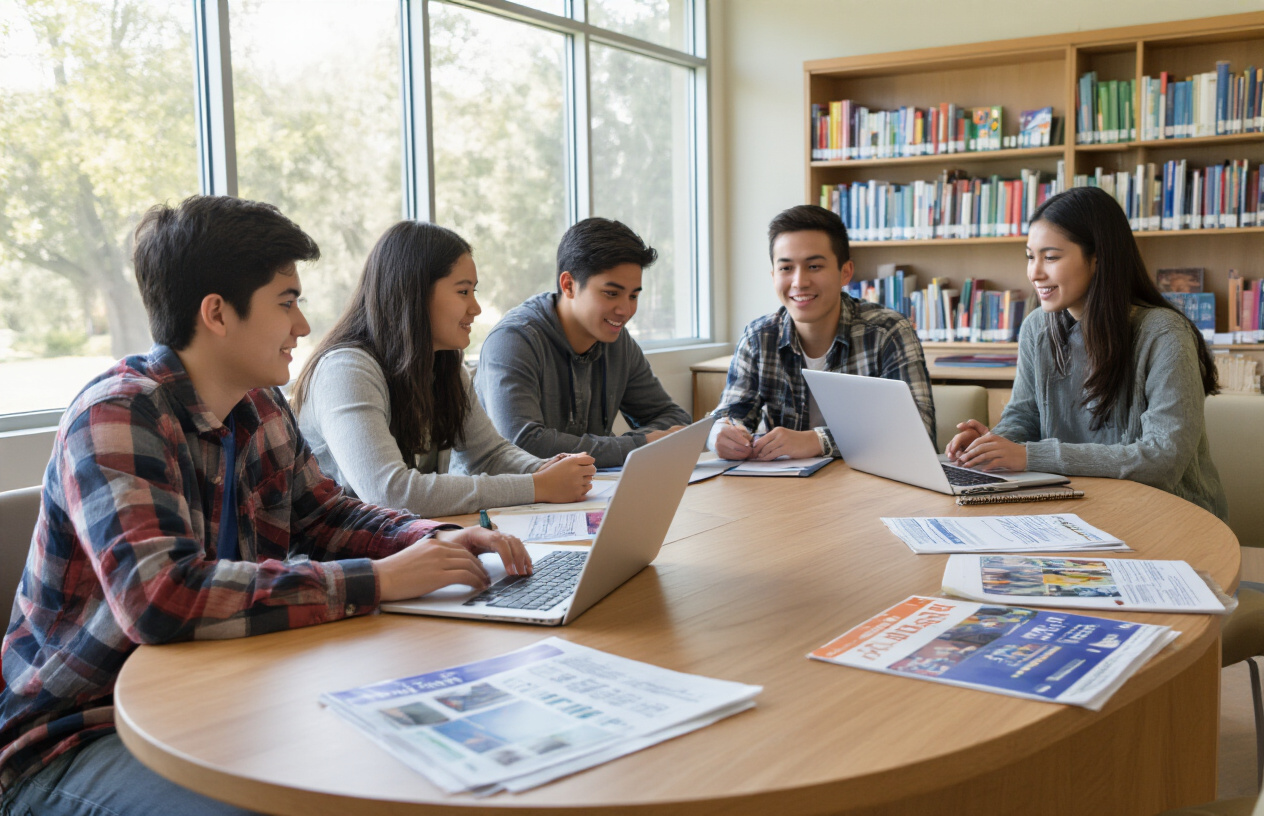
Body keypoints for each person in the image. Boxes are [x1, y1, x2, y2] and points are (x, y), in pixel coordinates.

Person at [0, 197, 532, 816]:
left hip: (222, 698)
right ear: (217, 314)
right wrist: (381, 579)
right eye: (287, 301)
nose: (303, 326)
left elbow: (329, 516)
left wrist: (433, 537)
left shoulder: (259, 405)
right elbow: (161, 598)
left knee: (418, 767)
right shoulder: (117, 415)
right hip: (79, 734)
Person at [945, 186, 1228, 521]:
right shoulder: (1038, 327)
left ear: (1098, 259)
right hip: (1076, 510)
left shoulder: (1164, 334)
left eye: (1050, 257)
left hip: (1168, 517)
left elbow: (1162, 460)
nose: (1034, 273)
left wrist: (1030, 457)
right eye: (1030, 256)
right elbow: (1024, 418)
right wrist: (990, 445)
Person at [292, 221, 596, 517]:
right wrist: (536, 486)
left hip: (406, 545)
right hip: (345, 562)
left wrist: (544, 469)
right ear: (414, 293)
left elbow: (488, 454)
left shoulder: (444, 363)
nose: (475, 307)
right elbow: (391, 493)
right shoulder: (346, 370)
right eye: (463, 292)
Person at [711, 204, 935, 461]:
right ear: (773, 275)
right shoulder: (758, 337)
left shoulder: (888, 332)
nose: (799, 282)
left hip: (868, 490)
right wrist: (720, 433)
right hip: (784, 492)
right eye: (786, 268)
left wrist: (819, 441)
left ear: (845, 272)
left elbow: (919, 431)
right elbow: (730, 413)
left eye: (814, 266)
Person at [474, 217, 692, 468]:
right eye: (611, 293)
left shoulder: (617, 340)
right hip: (499, 502)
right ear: (568, 285)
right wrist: (638, 446)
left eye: (633, 295)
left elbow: (674, 418)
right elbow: (524, 443)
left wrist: (634, 444)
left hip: (585, 495)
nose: (625, 310)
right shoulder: (513, 341)